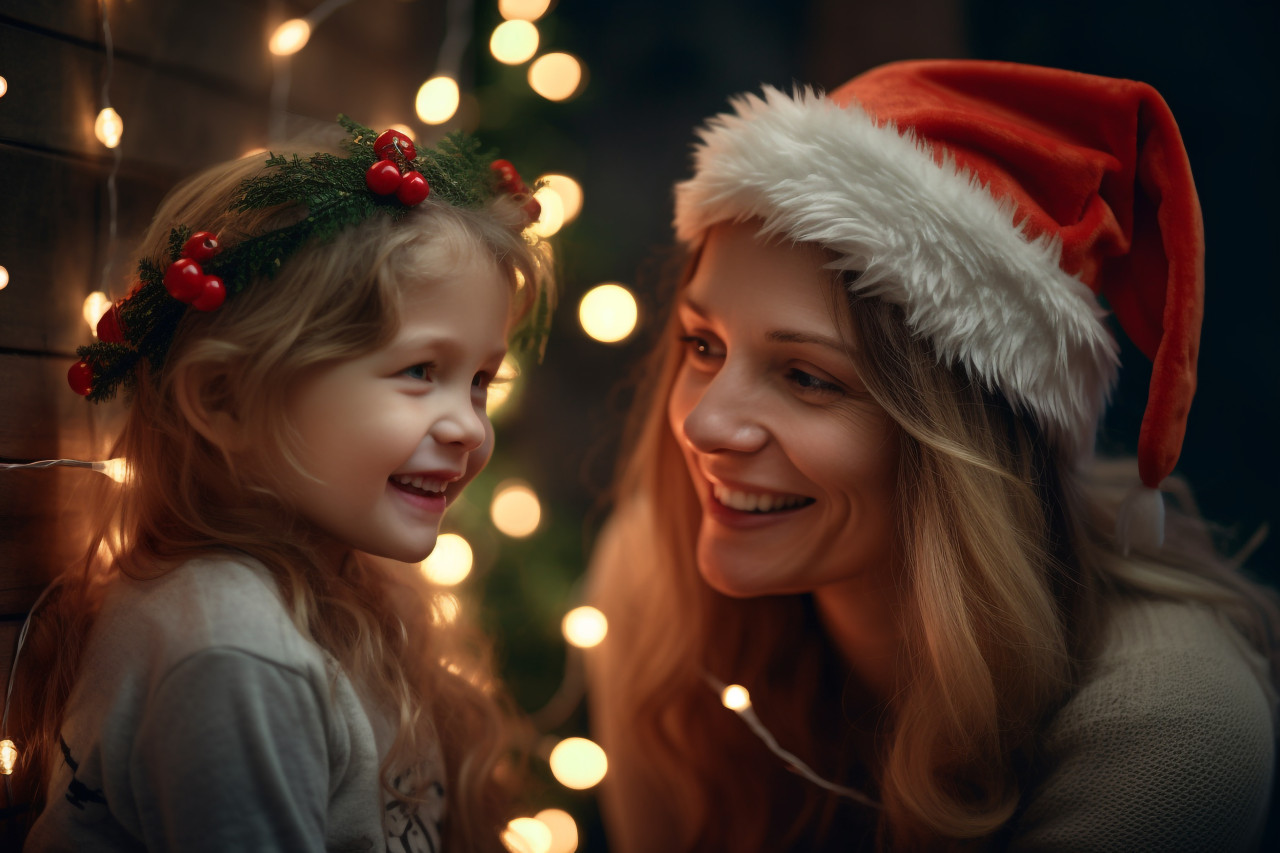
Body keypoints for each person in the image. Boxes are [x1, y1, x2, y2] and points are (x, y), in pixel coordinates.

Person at [585, 60, 1278, 851]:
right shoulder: (651, 580)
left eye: (807, 377)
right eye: (703, 345)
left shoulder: (1173, 724)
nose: (705, 423)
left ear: (962, 443)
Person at [15, 118, 553, 851]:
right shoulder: (234, 654)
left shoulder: (345, 597)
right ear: (226, 400)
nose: (468, 426)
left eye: (481, 380)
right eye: (420, 370)